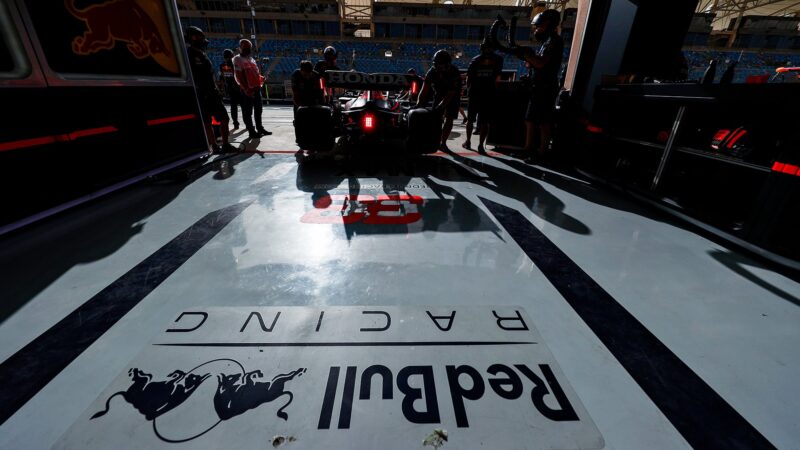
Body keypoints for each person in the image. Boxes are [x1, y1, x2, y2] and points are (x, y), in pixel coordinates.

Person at [490, 10, 563, 162]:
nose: (536, 30)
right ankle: (528, 149)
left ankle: (542, 153)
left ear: (548, 24)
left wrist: (526, 54)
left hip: (546, 87)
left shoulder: (554, 41)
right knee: (530, 119)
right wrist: (529, 62)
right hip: (538, 86)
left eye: (538, 27)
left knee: (543, 122)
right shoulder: (546, 42)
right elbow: (538, 63)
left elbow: (541, 63)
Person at [185, 26, 236, 153]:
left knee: (223, 119)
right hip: (203, 93)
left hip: (211, 91)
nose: (204, 40)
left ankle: (223, 144)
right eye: (201, 37)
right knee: (208, 120)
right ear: (193, 37)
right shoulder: (190, 54)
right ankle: (214, 146)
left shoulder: (201, 53)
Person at [416, 50, 462, 152]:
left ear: (447, 64)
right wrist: (418, 105)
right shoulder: (432, 72)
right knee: (435, 118)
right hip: (439, 93)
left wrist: (440, 108)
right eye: (436, 64)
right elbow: (424, 91)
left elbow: (450, 95)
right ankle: (434, 139)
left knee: (449, 118)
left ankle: (443, 143)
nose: (437, 67)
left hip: (453, 95)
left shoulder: (454, 72)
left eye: (439, 64)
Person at [464, 41, 503, 154]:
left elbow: (468, 78)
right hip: (489, 93)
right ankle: (481, 145)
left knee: (470, 120)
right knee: (485, 122)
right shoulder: (498, 60)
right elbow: (497, 77)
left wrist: (468, 91)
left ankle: (468, 141)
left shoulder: (475, 60)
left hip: (475, 93)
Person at [233, 39, 271, 139]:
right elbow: (238, 76)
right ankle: (251, 131)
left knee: (258, 110)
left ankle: (259, 128)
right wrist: (245, 89)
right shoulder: (237, 59)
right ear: (240, 48)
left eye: (249, 48)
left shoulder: (252, 60)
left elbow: (256, 74)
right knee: (248, 112)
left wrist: (262, 78)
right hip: (247, 90)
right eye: (245, 48)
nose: (248, 49)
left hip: (256, 88)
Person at [218, 49, 241, 130]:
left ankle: (235, 123)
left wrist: (222, 88)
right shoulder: (235, 64)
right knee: (244, 106)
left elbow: (221, 78)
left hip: (230, 88)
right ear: (232, 55)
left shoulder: (222, 66)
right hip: (239, 88)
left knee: (233, 106)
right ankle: (248, 124)